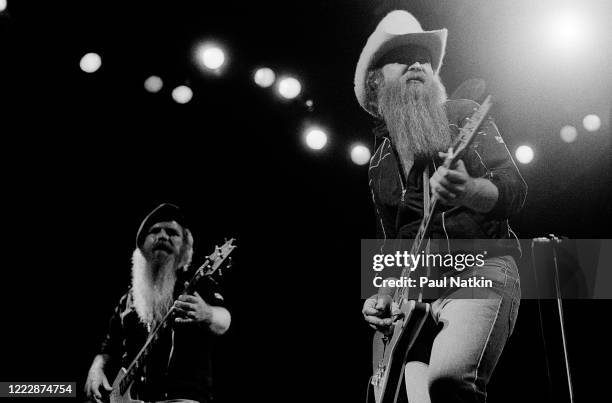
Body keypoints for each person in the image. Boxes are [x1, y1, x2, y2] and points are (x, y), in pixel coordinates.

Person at [356, 10, 527, 403]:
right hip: (414, 303)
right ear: (375, 80)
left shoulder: (461, 114)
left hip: (479, 269)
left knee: (449, 383)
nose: (419, 63)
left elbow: (514, 189)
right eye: (403, 56)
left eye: (425, 59)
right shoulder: (378, 162)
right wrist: (379, 297)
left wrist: (469, 190)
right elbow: (389, 248)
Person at [85, 203, 231, 403]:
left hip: (182, 397)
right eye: (154, 231)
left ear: (185, 246)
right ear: (142, 245)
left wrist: (207, 313)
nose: (162, 236)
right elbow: (108, 347)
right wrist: (96, 367)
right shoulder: (128, 299)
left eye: (172, 233)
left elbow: (224, 319)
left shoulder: (198, 282)